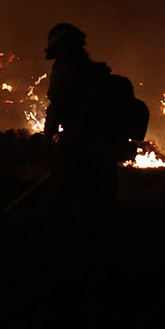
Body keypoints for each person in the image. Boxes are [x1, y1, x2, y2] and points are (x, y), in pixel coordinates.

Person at [40, 22, 121, 221]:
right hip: (105, 146)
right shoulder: (97, 72)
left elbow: (59, 105)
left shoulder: (66, 70)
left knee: (64, 197)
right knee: (99, 204)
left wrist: (48, 134)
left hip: (77, 144)